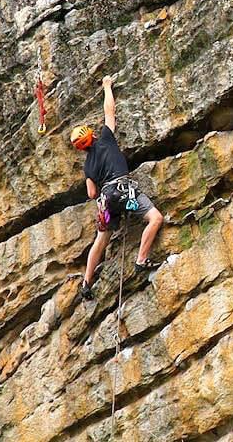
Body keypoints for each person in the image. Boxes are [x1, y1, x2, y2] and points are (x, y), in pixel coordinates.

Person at [70, 76, 163, 300]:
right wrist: (107, 86)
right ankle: (141, 260)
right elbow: (109, 111)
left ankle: (86, 284)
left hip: (106, 201)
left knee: (101, 240)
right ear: (91, 134)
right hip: (123, 191)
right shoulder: (105, 139)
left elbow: (92, 193)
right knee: (155, 218)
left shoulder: (87, 166)